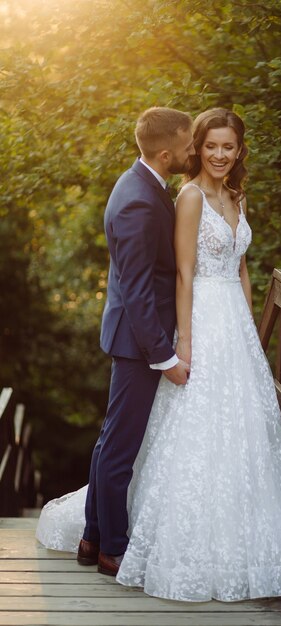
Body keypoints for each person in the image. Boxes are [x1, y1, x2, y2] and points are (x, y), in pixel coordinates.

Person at [36, 107, 281, 601]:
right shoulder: (170, 196)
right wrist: (174, 348)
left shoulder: (192, 192)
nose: (212, 154)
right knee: (130, 439)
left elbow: (240, 267)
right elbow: (167, 277)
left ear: (240, 150)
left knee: (183, 433)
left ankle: (97, 537)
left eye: (227, 146)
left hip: (226, 328)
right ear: (184, 148)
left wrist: (248, 329)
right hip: (167, 330)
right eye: (203, 145)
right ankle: (109, 543)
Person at [46, 107, 195, 576]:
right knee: (120, 449)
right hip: (138, 343)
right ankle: (113, 547)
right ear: (167, 152)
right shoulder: (138, 198)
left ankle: (92, 538)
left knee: (111, 441)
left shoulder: (143, 184)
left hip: (135, 339)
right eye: (190, 145)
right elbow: (135, 288)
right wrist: (164, 355)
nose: (194, 151)